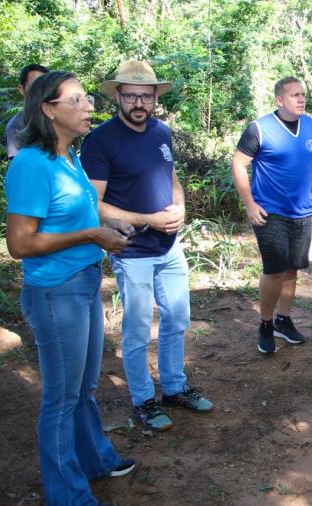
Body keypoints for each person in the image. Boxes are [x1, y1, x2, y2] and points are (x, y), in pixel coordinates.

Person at [5, 71, 135, 506]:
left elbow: (81, 212)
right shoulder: (30, 165)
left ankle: (96, 459)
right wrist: (90, 234)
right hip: (54, 292)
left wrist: (111, 226)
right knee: (60, 398)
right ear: (48, 109)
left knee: (84, 387)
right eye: (77, 100)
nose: (88, 107)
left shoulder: (69, 157)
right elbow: (19, 244)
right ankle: (67, 498)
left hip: (82, 283)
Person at [81, 60, 213, 431]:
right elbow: (94, 202)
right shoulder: (101, 140)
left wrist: (181, 207)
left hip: (169, 247)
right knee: (138, 328)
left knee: (177, 318)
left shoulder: (161, 132)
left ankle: (174, 386)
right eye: (131, 95)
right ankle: (143, 400)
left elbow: (172, 178)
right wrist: (148, 219)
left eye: (146, 95)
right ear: (118, 97)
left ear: (155, 97)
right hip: (132, 250)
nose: (139, 102)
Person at [232, 76, 312, 354]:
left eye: (303, 94)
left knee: (293, 268)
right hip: (270, 212)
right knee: (274, 270)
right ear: (279, 100)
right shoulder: (259, 128)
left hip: (302, 211)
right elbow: (238, 163)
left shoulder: (311, 124)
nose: (301, 99)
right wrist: (249, 203)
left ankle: (284, 319)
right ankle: (266, 323)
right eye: (294, 95)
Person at [5, 63, 48, 159]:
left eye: (45, 85)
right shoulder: (16, 126)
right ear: (22, 89)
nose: (41, 90)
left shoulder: (57, 117)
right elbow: (22, 166)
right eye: (35, 85)